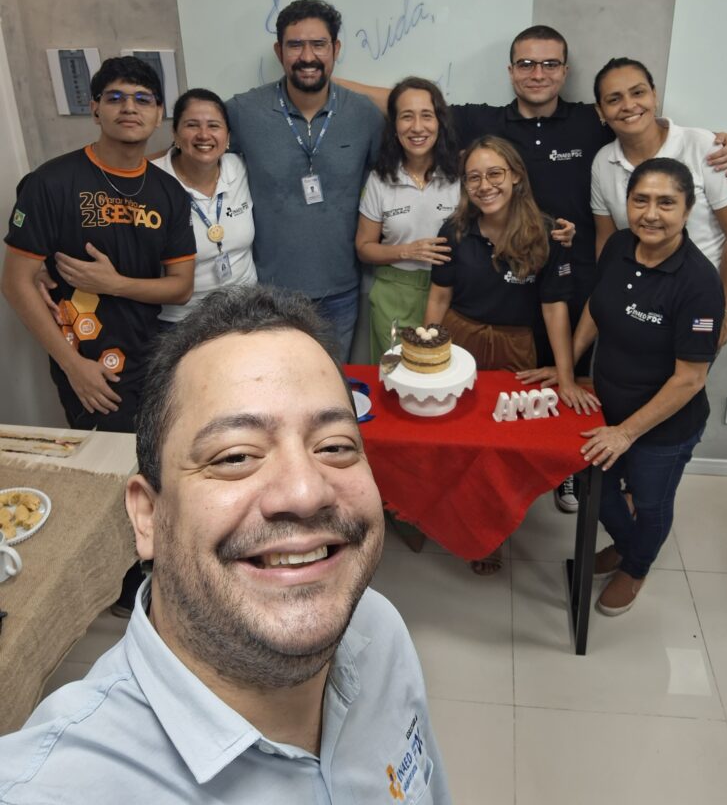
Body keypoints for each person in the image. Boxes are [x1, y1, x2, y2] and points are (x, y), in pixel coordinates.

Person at [0, 286, 451, 803]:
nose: (305, 492)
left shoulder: (380, 631)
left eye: (334, 446)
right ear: (147, 517)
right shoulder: (48, 789)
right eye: (236, 456)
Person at [339, 27, 727, 510]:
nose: (538, 73)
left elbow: (639, 122)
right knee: (491, 401)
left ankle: (575, 472)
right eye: (526, 64)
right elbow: (412, 105)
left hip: (570, 273)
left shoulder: (592, 120)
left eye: (550, 64)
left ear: (565, 71)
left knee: (560, 383)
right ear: (511, 71)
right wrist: (329, 80)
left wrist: (718, 141)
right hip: (493, 292)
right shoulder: (482, 128)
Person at [424, 136, 599, 574]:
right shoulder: (454, 230)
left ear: (516, 176)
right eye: (474, 178)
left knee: (500, 447)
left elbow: (555, 308)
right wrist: (428, 354)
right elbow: (440, 297)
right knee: (460, 437)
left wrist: (565, 377)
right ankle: (460, 522)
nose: (484, 185)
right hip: (459, 341)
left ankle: (494, 531)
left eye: (495, 174)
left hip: (516, 345)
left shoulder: (546, 232)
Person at [2, 55, 195, 432]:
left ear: (158, 114)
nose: (129, 108)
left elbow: (180, 286)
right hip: (88, 365)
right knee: (109, 460)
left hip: (154, 359)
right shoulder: (51, 183)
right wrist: (72, 366)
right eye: (115, 97)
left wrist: (114, 284)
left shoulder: (169, 192)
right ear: (95, 109)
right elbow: (15, 282)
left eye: (143, 99)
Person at [575, 158, 724, 615]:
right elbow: (596, 308)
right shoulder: (620, 245)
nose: (651, 214)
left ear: (688, 209)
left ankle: (636, 567)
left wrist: (626, 433)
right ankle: (627, 543)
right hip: (606, 407)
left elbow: (690, 378)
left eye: (666, 203)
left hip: (664, 427)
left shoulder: (699, 283)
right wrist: (567, 368)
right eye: (640, 200)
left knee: (651, 501)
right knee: (593, 488)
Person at [226, 0, 384, 361]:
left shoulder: (364, 114)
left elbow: (389, 179)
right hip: (268, 293)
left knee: (331, 382)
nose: (307, 56)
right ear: (279, 51)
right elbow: (190, 149)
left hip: (341, 290)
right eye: (295, 45)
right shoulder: (243, 111)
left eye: (319, 45)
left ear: (336, 49)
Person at [591, 57, 727, 350]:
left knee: (684, 375)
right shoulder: (603, 161)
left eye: (638, 92)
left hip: (701, 297)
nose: (628, 105)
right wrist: (606, 299)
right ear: (601, 111)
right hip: (638, 294)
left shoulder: (704, 146)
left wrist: (725, 310)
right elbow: (607, 239)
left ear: (654, 95)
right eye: (614, 99)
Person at [356, 76, 460, 361]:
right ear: (394, 126)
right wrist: (407, 251)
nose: (417, 127)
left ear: (440, 122)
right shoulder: (380, 179)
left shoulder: (459, 175)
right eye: (406, 117)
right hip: (394, 294)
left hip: (451, 294)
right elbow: (364, 248)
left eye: (426, 115)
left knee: (440, 373)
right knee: (394, 373)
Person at [153, 88, 257, 324]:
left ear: (228, 137)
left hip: (246, 314)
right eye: (192, 125)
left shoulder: (240, 168)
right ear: (175, 134)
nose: (203, 135)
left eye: (214, 126)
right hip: (182, 322)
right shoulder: (153, 181)